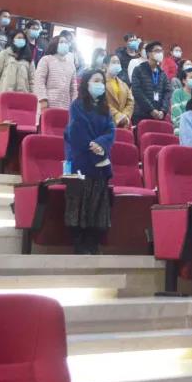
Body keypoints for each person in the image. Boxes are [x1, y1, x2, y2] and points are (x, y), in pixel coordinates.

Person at [63, 69, 115, 255]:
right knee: (80, 205)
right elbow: (77, 132)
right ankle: (80, 245)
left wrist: (101, 145)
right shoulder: (77, 105)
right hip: (82, 161)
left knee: (97, 205)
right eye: (96, 80)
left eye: (102, 81)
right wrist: (96, 151)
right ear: (86, 83)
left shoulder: (105, 108)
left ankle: (92, 243)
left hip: (100, 162)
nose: (100, 84)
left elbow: (110, 131)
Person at [130, 41, 173, 124]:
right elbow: (137, 91)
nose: (160, 53)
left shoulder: (162, 73)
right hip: (141, 114)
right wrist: (151, 110)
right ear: (148, 53)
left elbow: (168, 92)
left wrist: (163, 110)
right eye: (157, 51)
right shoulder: (139, 70)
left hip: (159, 115)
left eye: (161, 51)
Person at [33, 36, 79, 111]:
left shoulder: (71, 65)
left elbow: (73, 88)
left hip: (65, 106)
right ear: (54, 44)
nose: (64, 44)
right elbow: (39, 81)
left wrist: (75, 106)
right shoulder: (46, 60)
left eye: (66, 43)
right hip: (46, 105)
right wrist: (43, 100)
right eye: (61, 42)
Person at [0, 29, 35, 97]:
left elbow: (32, 81)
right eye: (19, 38)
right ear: (13, 40)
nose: (21, 40)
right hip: (3, 96)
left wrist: (33, 96)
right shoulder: (4, 54)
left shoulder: (29, 58)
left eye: (23, 39)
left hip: (22, 97)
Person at [101, 54, 133, 129]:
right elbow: (102, 102)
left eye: (118, 62)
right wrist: (118, 116)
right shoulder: (101, 82)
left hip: (123, 123)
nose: (117, 64)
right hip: (106, 121)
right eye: (114, 62)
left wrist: (125, 115)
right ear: (105, 66)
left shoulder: (124, 84)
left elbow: (130, 102)